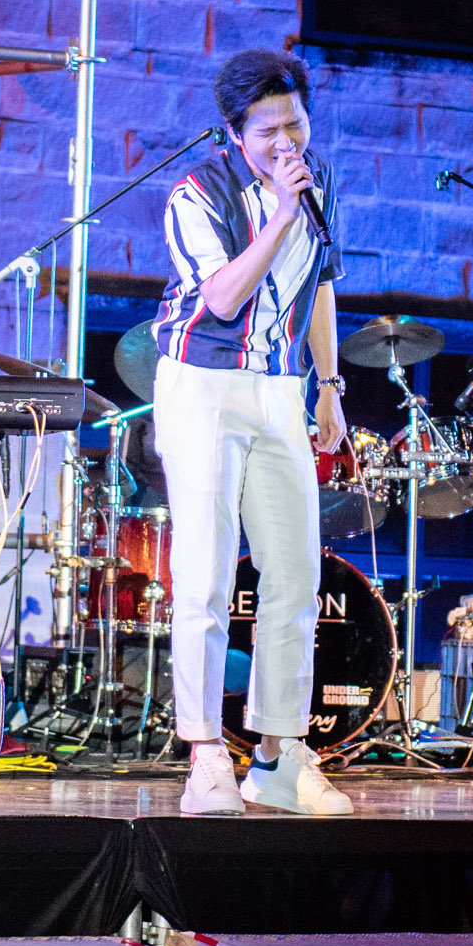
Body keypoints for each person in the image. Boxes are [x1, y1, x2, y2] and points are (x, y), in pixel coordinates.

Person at [152, 50, 351, 816]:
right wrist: (279, 215)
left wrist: (328, 385)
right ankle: (205, 753)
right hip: (202, 383)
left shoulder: (318, 179)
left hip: (279, 388)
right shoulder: (196, 194)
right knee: (203, 575)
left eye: (294, 124)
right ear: (235, 134)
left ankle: (278, 754)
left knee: (294, 575)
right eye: (267, 130)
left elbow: (322, 283)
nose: (285, 142)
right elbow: (224, 298)